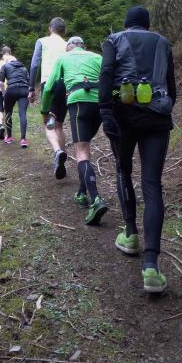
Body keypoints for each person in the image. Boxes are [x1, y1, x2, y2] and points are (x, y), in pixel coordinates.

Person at [99, 5, 177, 294]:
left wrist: (106, 109)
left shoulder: (114, 40)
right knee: (152, 185)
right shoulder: (163, 43)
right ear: (147, 25)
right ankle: (151, 266)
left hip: (124, 117)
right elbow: (172, 88)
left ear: (127, 24)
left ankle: (130, 234)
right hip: (157, 119)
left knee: (123, 171)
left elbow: (107, 73)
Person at [41, 36, 108, 225]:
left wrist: (45, 111)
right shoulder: (97, 57)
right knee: (85, 146)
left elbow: (49, 87)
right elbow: (110, 80)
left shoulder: (64, 57)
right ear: (84, 47)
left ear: (69, 47)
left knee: (82, 151)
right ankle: (81, 192)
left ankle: (96, 199)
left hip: (79, 102)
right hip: (101, 103)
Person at [28, 18, 69, 179]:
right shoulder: (67, 44)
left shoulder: (42, 41)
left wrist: (31, 87)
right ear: (63, 31)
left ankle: (57, 152)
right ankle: (61, 161)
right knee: (59, 125)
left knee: (48, 123)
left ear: (50, 28)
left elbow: (34, 64)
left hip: (49, 84)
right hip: (65, 85)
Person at [0, 49, 30, 148]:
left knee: (8, 112)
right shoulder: (24, 68)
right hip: (24, 90)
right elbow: (29, 82)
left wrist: (4, 94)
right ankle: (23, 139)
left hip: (11, 90)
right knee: (22, 113)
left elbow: (1, 83)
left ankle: (9, 137)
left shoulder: (5, 66)